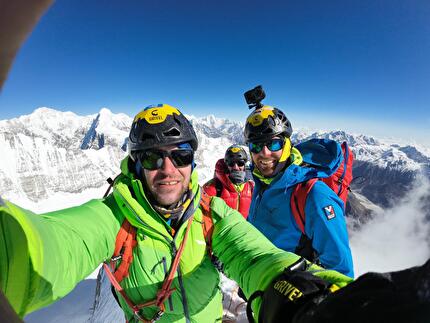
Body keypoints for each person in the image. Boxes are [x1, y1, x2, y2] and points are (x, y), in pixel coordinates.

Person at [0, 104, 353, 322]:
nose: (168, 169)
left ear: (192, 161)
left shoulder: (212, 213)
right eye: (153, 157)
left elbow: (253, 255)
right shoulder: (114, 219)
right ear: (136, 165)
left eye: (180, 155)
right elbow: (57, 243)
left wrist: (307, 295)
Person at [244, 103, 355, 278]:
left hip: (293, 299)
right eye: (256, 146)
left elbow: (341, 272)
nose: (264, 153)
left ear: (288, 145)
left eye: (273, 144)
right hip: (261, 289)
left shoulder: (314, 195)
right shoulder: (261, 184)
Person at [203, 145, 254, 219]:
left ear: (244, 164)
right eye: (231, 163)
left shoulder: (251, 187)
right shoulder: (212, 187)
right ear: (226, 165)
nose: (236, 167)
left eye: (240, 163)